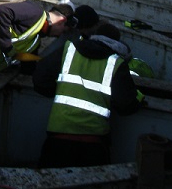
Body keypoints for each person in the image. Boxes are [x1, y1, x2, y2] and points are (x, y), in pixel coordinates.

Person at [34, 21, 144, 169]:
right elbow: (126, 105)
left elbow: (40, 79)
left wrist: (61, 90)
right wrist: (139, 101)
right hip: (94, 146)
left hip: (57, 140)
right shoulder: (116, 63)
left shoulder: (69, 50)